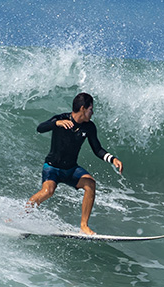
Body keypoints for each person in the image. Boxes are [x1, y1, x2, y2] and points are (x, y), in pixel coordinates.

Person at [27, 92, 123, 235]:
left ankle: (84, 226)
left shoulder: (89, 127)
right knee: (48, 191)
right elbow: (40, 128)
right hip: (52, 167)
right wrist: (55, 124)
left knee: (90, 184)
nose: (93, 112)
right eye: (91, 109)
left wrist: (112, 159)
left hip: (71, 169)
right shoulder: (61, 119)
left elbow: (97, 149)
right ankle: (22, 216)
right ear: (83, 108)